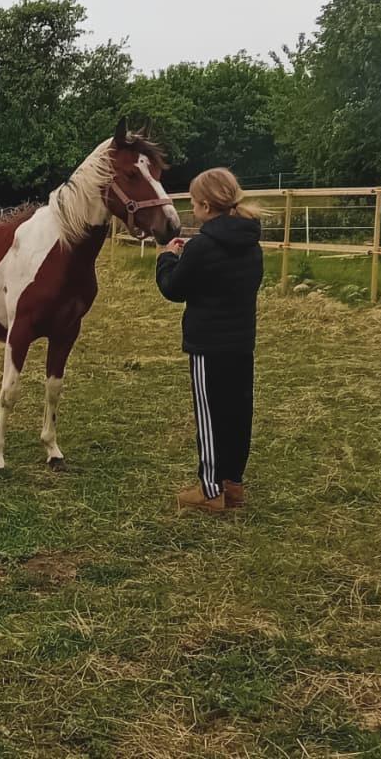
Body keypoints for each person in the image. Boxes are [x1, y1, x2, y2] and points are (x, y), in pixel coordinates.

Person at [155, 167, 264, 515]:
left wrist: (167, 258)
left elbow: (173, 288)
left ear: (204, 205)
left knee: (209, 417)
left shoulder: (202, 246)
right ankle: (234, 484)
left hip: (207, 346)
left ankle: (210, 489)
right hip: (241, 344)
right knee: (237, 414)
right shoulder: (252, 244)